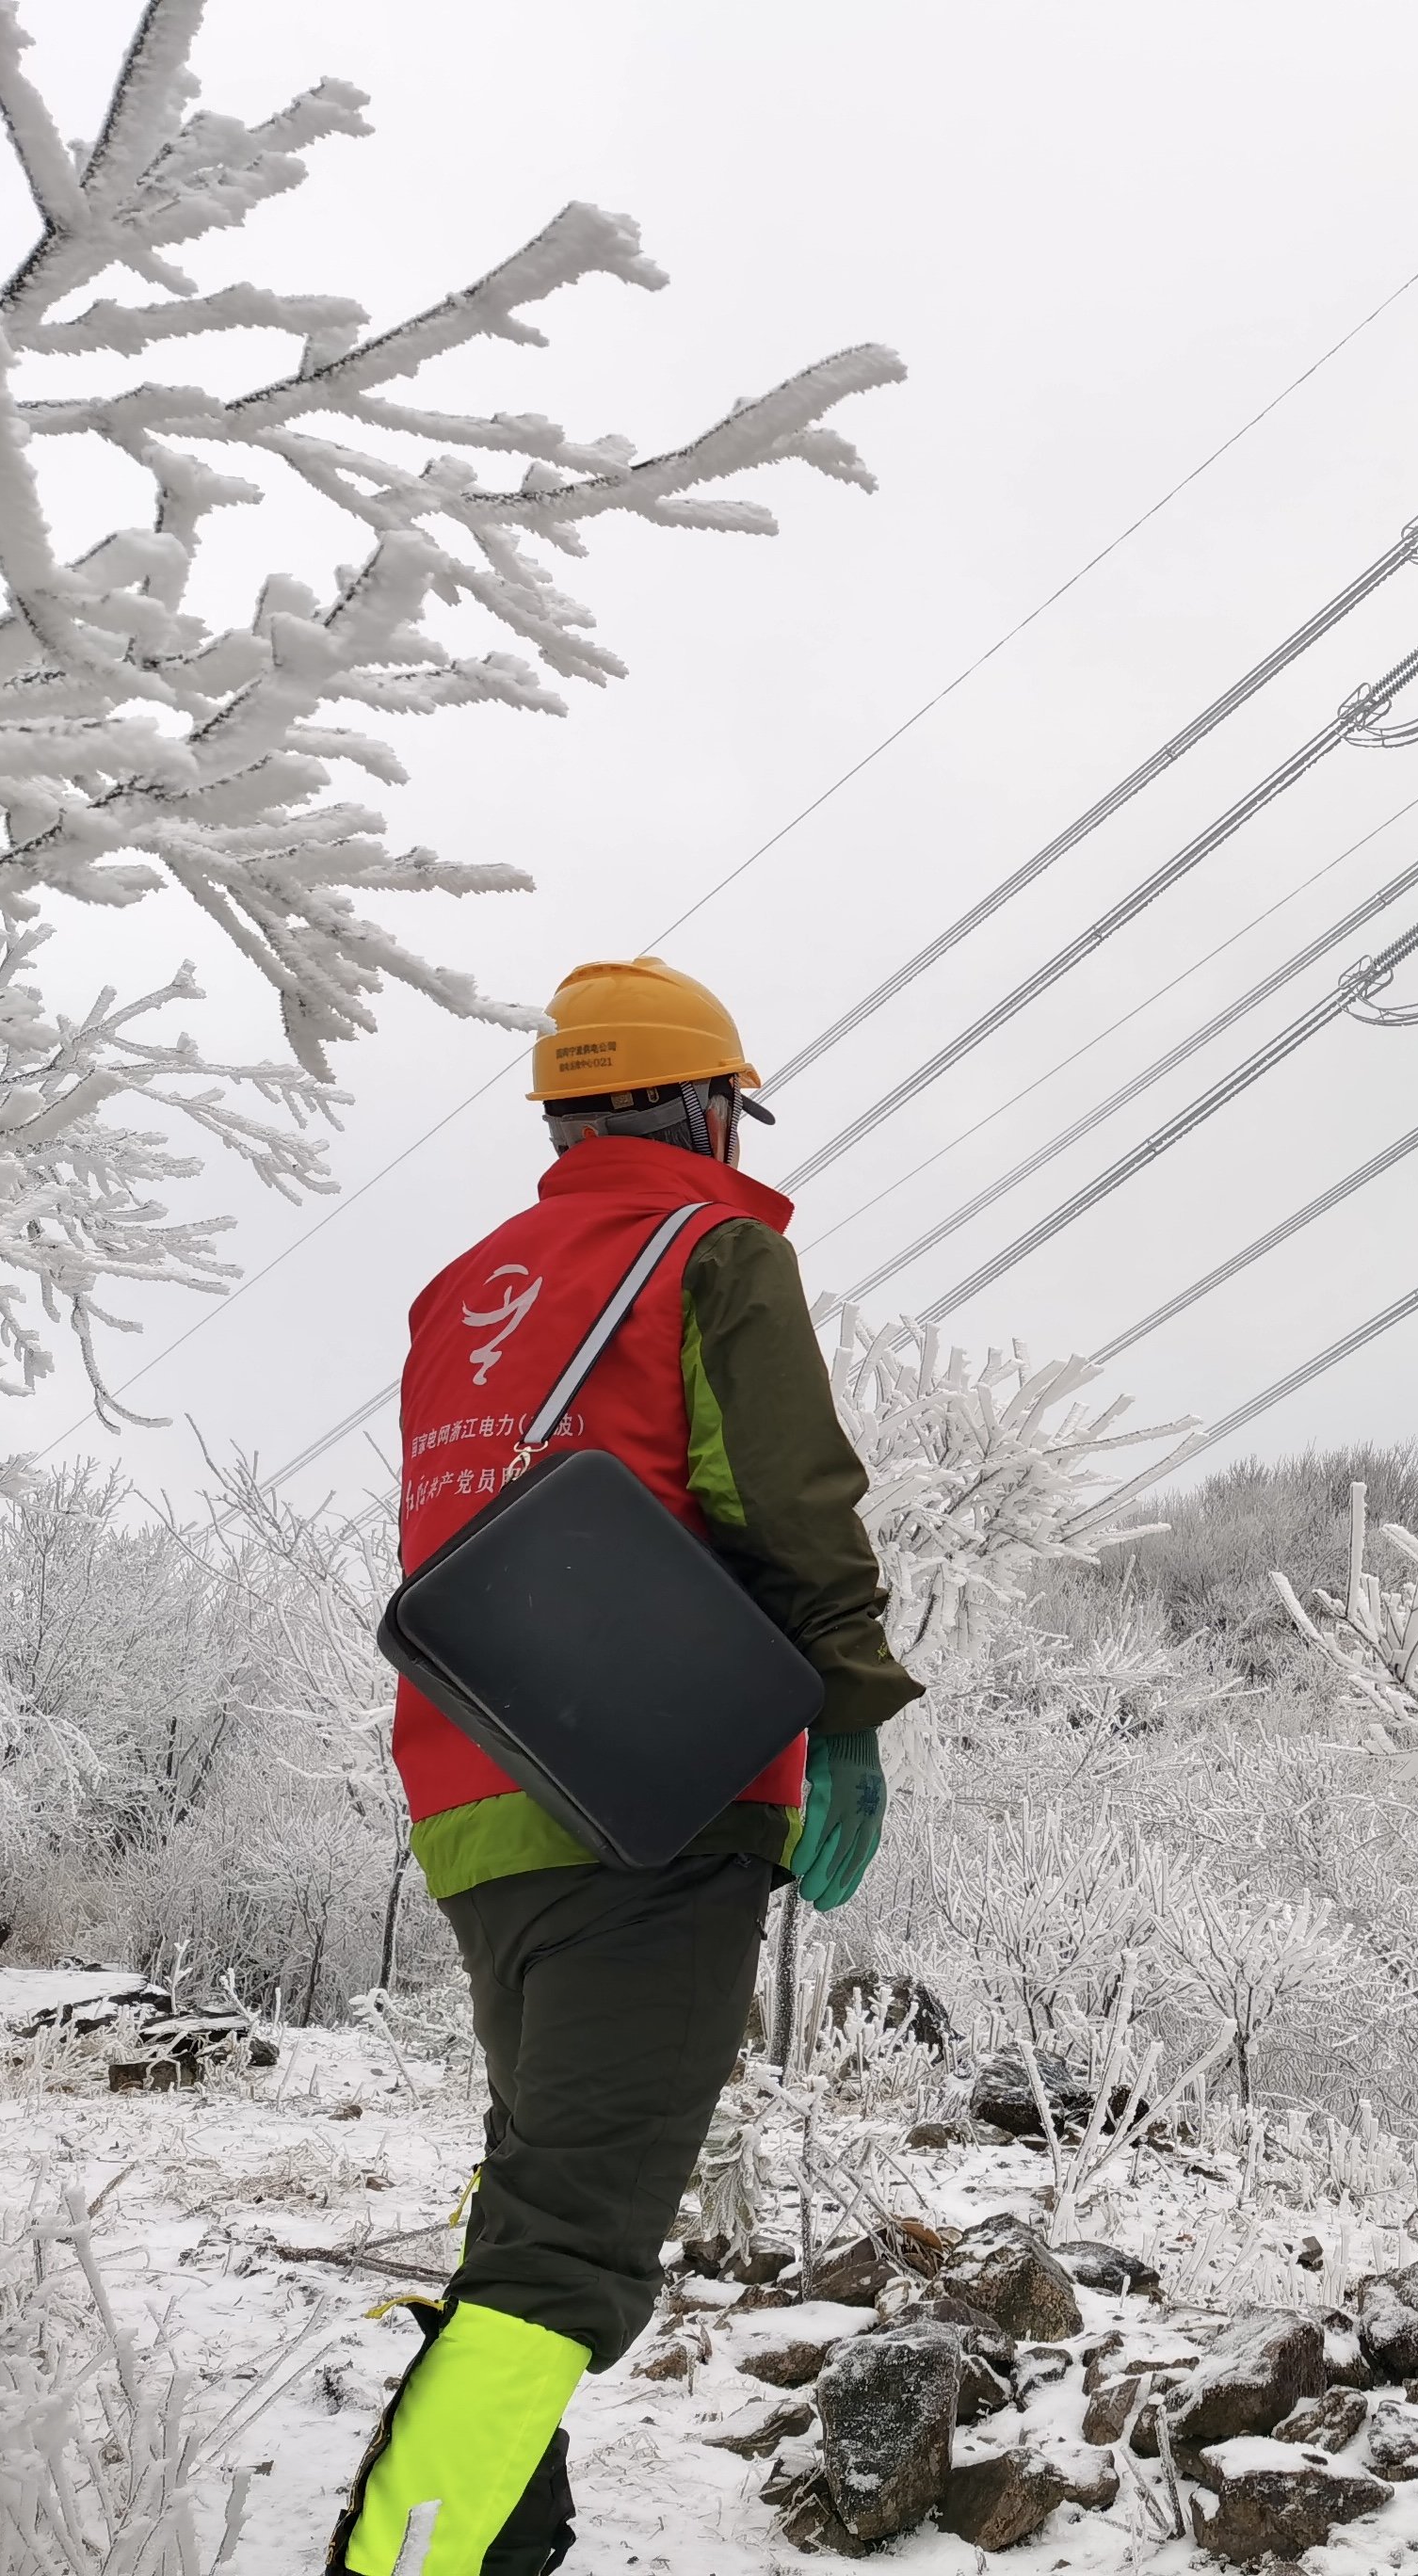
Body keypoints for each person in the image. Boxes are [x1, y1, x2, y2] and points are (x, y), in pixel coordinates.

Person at [330, 958, 920, 2576]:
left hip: (473, 1795)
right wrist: (849, 1712)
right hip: (652, 1808)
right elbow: (788, 1494)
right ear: (708, 1107)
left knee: (542, 2185)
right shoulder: (709, 1245)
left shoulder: (464, 1288)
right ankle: (414, 2557)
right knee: (571, 2242)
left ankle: (503, 2527)